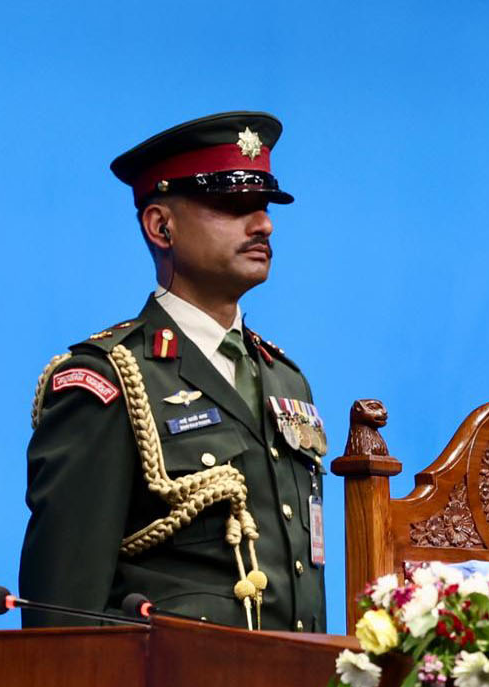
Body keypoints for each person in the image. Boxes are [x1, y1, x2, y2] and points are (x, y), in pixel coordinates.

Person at [20, 112, 327, 632]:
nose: (263, 225)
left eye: (265, 206)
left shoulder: (285, 379)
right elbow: (62, 612)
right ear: (161, 226)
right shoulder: (111, 379)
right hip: (170, 679)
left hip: (292, 675)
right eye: (233, 206)